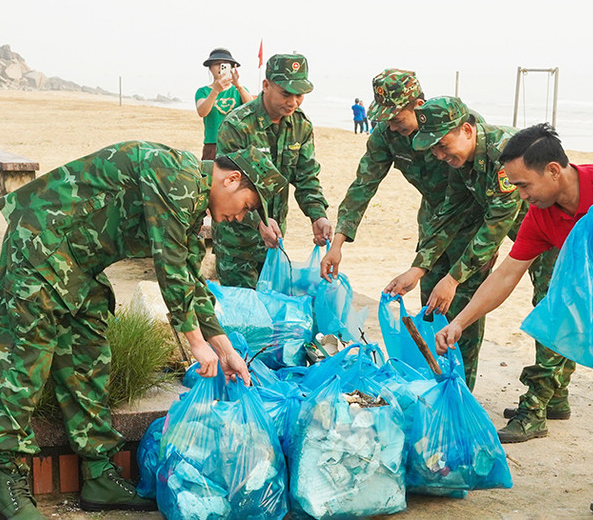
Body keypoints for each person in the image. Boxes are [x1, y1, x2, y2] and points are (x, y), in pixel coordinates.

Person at [0, 141, 287, 519]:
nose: (241, 218)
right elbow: (170, 267)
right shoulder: (175, 174)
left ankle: (98, 476)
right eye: (248, 206)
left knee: (87, 361)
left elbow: (191, 284)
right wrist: (197, 345)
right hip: (41, 244)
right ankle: (7, 483)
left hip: (78, 264)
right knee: (21, 365)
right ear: (232, 180)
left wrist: (226, 352)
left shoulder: (191, 207)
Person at [433, 123, 593, 516]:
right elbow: (508, 272)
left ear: (553, 170)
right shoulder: (541, 215)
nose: (521, 195)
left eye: (524, 185)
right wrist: (460, 321)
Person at [322, 70, 496, 393]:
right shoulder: (387, 136)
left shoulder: (454, 127)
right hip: (434, 220)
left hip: (472, 221)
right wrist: (338, 242)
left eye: (395, 117)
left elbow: (489, 198)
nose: (390, 125)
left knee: (464, 308)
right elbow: (363, 184)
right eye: (384, 118)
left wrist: (474, 257)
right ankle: (436, 383)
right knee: (431, 303)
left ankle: (461, 394)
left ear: (417, 104)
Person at [382, 96, 554, 399]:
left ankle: (542, 402)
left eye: (442, 145)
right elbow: (451, 210)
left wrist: (453, 278)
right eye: (433, 148)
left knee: (549, 307)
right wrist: (419, 267)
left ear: (466, 130)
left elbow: (496, 224)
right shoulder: (463, 160)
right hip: (525, 227)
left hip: (552, 228)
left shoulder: (504, 153)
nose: (438, 155)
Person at [213, 53, 332, 288]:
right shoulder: (237, 126)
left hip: (274, 243)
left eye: (300, 95)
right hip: (237, 243)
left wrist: (317, 215)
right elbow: (226, 189)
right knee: (243, 316)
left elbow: (306, 176)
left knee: (270, 313)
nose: (293, 102)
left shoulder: (300, 125)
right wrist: (259, 221)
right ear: (266, 86)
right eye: (286, 94)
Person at [195, 48, 255, 160]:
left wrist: (239, 86)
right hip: (213, 143)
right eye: (217, 64)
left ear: (232, 68)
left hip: (237, 143)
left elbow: (253, 109)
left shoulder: (239, 91)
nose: (220, 67)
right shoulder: (203, 91)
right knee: (210, 176)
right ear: (210, 68)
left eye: (225, 65)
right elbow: (202, 112)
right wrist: (215, 91)